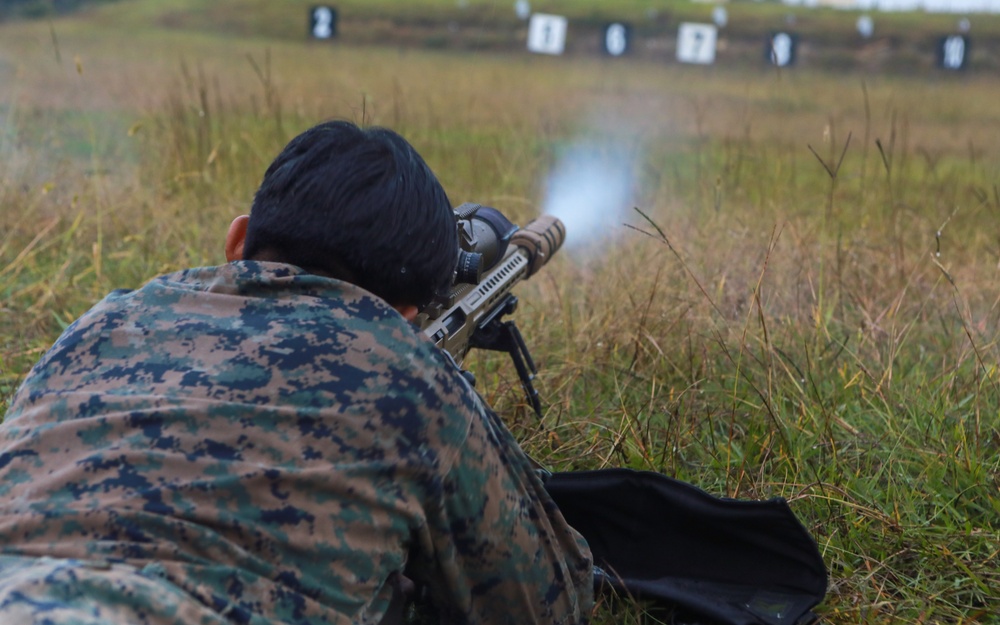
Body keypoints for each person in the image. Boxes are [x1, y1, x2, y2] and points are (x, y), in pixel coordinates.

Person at [0, 120, 593, 625]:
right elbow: (549, 601)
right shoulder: (412, 383)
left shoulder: (105, 321)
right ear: (409, 315)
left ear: (237, 241)